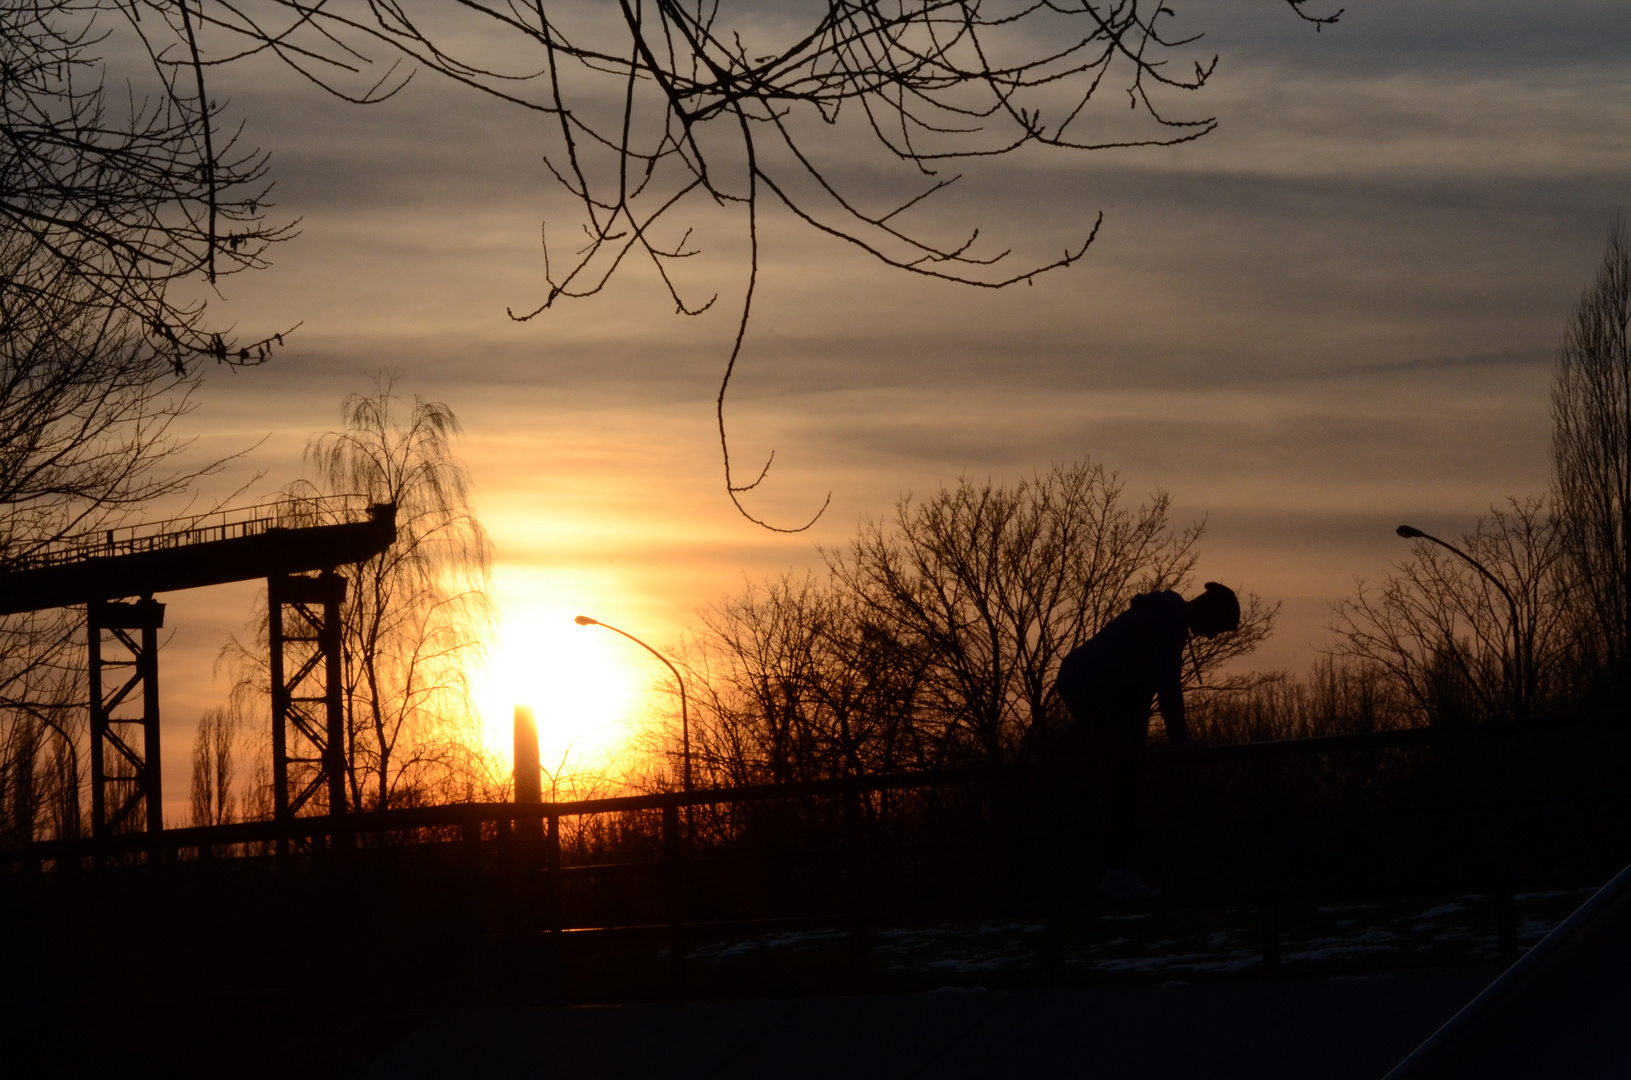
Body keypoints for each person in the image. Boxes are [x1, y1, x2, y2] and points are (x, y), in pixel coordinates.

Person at [1053, 581, 1240, 900]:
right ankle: (1115, 875)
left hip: (1086, 685)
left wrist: (1139, 739)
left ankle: (1117, 871)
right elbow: (1167, 688)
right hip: (1093, 690)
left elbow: (1139, 689)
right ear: (1210, 616)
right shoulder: (1169, 625)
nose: (1212, 637)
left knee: (1127, 765)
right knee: (1125, 777)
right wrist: (1182, 744)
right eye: (1217, 629)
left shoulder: (1160, 618)